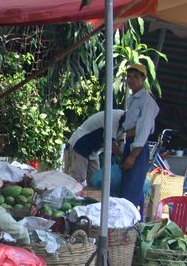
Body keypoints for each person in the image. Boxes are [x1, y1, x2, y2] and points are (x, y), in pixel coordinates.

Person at [116, 63, 159, 216]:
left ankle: (130, 227)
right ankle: (136, 222)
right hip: (130, 143)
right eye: (129, 76)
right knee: (129, 188)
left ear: (143, 79)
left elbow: (143, 130)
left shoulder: (146, 100)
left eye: (135, 77)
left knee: (130, 193)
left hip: (138, 147)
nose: (131, 80)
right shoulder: (132, 99)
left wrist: (133, 155)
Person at [65, 110, 125, 184]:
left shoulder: (124, 125)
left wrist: (123, 154)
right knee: (78, 178)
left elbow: (121, 142)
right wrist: (123, 157)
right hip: (81, 143)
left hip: (93, 149)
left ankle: (89, 195)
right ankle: (71, 194)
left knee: (95, 179)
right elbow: (110, 143)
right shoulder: (114, 118)